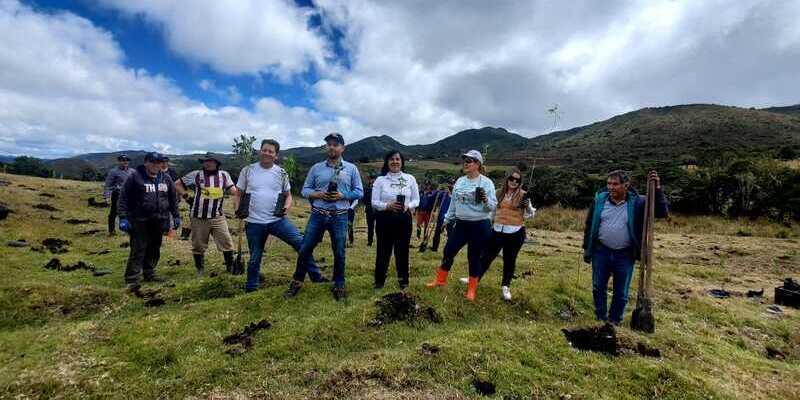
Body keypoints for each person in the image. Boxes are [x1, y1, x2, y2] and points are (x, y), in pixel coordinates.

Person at [234, 139, 329, 292]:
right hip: (254, 222)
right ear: (260, 151)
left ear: (276, 155)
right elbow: (239, 193)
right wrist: (238, 209)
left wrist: (287, 206)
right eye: (264, 150)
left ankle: (316, 276)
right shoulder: (248, 170)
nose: (266, 153)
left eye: (270, 151)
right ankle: (251, 287)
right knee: (255, 257)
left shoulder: (281, 173)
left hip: (277, 219)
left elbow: (288, 195)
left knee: (301, 244)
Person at [582, 170, 669, 325]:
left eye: (615, 184)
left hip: (625, 253)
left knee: (621, 292)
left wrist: (657, 189)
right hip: (601, 250)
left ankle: (614, 321)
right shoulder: (599, 200)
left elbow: (662, 212)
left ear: (626, 185)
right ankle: (600, 318)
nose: (611, 187)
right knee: (598, 287)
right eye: (608, 184)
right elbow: (590, 224)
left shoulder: (638, 202)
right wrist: (587, 247)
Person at [284, 133, 363, 301]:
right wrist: (318, 194)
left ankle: (339, 284)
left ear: (343, 148)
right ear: (326, 147)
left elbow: (359, 192)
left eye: (336, 144)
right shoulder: (316, 168)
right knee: (305, 248)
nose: (332, 147)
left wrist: (342, 195)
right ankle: (297, 282)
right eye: (329, 144)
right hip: (318, 215)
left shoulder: (351, 169)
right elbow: (305, 190)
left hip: (340, 216)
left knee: (339, 252)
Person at [425, 150, 497, 301]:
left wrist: (485, 200)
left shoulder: (486, 182)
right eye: (465, 160)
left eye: (470, 161)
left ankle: (471, 289)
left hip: (480, 224)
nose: (465, 163)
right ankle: (440, 280)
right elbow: (453, 203)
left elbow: (492, 206)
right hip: (461, 224)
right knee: (449, 250)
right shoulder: (460, 181)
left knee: (474, 256)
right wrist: (446, 219)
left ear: (477, 164)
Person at [468, 167, 535, 301]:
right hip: (497, 230)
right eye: (512, 178)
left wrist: (527, 206)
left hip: (515, 232)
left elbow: (530, 214)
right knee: (486, 257)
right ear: (507, 179)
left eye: (517, 180)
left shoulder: (523, 195)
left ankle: (506, 287)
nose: (514, 182)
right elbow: (492, 210)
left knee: (509, 260)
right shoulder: (498, 193)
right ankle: (475, 280)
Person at [117, 152, 180, 291]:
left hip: (159, 219)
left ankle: (149, 272)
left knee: (154, 247)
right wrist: (122, 217)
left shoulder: (166, 178)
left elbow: (172, 198)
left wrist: (175, 215)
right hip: (139, 220)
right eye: (153, 162)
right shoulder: (134, 176)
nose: (156, 165)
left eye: (158, 163)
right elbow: (123, 197)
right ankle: (132, 278)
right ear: (146, 162)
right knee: (139, 248)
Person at [175, 153, 237, 276]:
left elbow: (233, 190)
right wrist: (186, 196)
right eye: (205, 161)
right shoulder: (196, 175)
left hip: (217, 216)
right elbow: (177, 184)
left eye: (211, 161)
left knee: (227, 242)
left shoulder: (224, 175)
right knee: (198, 244)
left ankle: (230, 267)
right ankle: (200, 270)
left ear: (216, 163)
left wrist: (244, 192)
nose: (207, 163)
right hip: (198, 216)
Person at [370, 150, 420, 289]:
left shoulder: (410, 178)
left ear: (402, 162)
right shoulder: (380, 180)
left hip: (404, 219)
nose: (395, 161)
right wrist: (387, 205)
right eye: (391, 159)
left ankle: (403, 281)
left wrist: (408, 206)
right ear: (387, 162)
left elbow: (417, 200)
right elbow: (374, 202)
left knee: (402, 251)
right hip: (384, 219)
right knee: (383, 250)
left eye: (397, 159)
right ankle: (379, 281)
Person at [103, 154, 135, 235]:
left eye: (127, 160)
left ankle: (128, 229)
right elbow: (108, 185)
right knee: (114, 212)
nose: (125, 162)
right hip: (118, 195)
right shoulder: (113, 172)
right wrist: (107, 197)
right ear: (119, 161)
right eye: (123, 160)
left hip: (130, 196)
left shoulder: (133, 171)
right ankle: (112, 230)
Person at [430, 178, 454, 252]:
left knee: (450, 234)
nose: (450, 185)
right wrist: (438, 190)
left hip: (451, 218)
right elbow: (432, 197)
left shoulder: (455, 195)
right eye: (449, 183)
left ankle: (449, 249)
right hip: (441, 216)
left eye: (452, 184)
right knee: (437, 232)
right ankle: (434, 247)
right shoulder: (443, 193)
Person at [363, 172, 377, 246]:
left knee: (379, 227)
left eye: (374, 179)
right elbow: (363, 200)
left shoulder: (379, 188)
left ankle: (381, 241)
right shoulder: (366, 189)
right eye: (371, 179)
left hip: (378, 210)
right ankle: (370, 242)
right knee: (370, 227)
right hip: (369, 210)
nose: (372, 180)